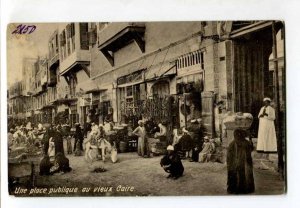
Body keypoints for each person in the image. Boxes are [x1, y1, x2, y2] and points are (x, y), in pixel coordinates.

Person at [227, 129, 255, 194]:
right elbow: (251, 149)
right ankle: (245, 188)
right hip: (242, 164)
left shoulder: (232, 143)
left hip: (239, 164)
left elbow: (229, 157)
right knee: (243, 174)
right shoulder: (246, 143)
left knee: (240, 174)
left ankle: (234, 188)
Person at [257, 97, 277, 162]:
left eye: (267, 102)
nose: (265, 103)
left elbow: (273, 117)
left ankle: (268, 152)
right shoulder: (262, 108)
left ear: (269, 102)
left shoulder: (271, 109)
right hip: (262, 125)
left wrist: (266, 115)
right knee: (262, 137)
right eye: (264, 102)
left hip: (268, 125)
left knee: (268, 137)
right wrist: (261, 115)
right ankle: (262, 151)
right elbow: (259, 115)